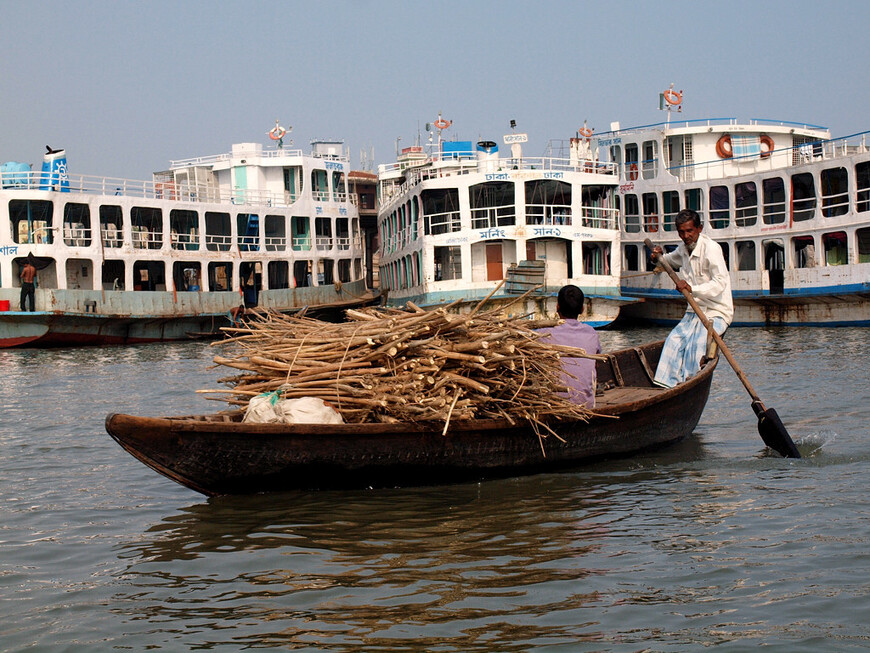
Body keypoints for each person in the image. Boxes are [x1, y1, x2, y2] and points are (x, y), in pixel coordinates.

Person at [651, 209, 733, 388]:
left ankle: (688, 385)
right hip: (693, 311)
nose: (686, 236)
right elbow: (666, 262)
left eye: (690, 231)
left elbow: (720, 284)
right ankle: (669, 386)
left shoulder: (711, 249)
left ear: (699, 229)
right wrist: (656, 257)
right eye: (681, 232)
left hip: (716, 311)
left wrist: (691, 289)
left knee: (696, 347)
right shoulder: (683, 250)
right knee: (673, 342)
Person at [536, 284, 602, 407]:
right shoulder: (592, 333)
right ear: (582, 309)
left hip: (552, 406)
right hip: (585, 406)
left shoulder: (542, 334)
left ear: (557, 307)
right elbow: (596, 360)